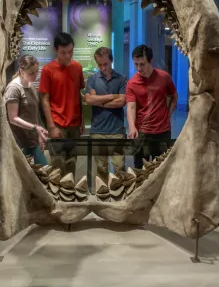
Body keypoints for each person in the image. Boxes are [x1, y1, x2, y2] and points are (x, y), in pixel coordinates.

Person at [39, 32, 85, 176]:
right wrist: (51, 126)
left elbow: (78, 94)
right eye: (63, 52)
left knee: (72, 163)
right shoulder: (48, 70)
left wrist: (82, 119)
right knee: (57, 166)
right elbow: (44, 100)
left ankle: (69, 195)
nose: (67, 56)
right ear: (55, 50)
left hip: (75, 124)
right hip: (57, 123)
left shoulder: (77, 67)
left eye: (70, 51)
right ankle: (57, 196)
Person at [126, 44, 178, 169]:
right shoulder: (132, 83)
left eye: (142, 64)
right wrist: (132, 127)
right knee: (140, 168)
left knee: (160, 168)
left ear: (150, 61)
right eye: (136, 64)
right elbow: (131, 107)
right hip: (142, 132)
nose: (139, 68)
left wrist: (167, 114)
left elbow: (174, 97)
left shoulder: (164, 77)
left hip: (163, 131)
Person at [85, 47, 126, 181]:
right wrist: (112, 96)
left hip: (117, 130)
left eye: (105, 64)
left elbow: (121, 102)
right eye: (99, 65)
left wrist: (99, 101)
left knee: (120, 167)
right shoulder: (92, 79)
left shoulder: (121, 79)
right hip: (98, 129)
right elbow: (89, 99)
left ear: (111, 60)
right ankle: (103, 196)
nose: (102, 67)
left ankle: (121, 197)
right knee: (101, 169)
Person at [4, 55, 48, 165]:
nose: (35, 76)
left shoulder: (31, 85)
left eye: (36, 72)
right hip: (19, 142)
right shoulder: (14, 88)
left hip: (32, 141)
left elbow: (34, 113)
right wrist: (35, 128)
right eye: (31, 73)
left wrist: (39, 136)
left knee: (44, 174)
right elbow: (13, 118)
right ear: (21, 71)